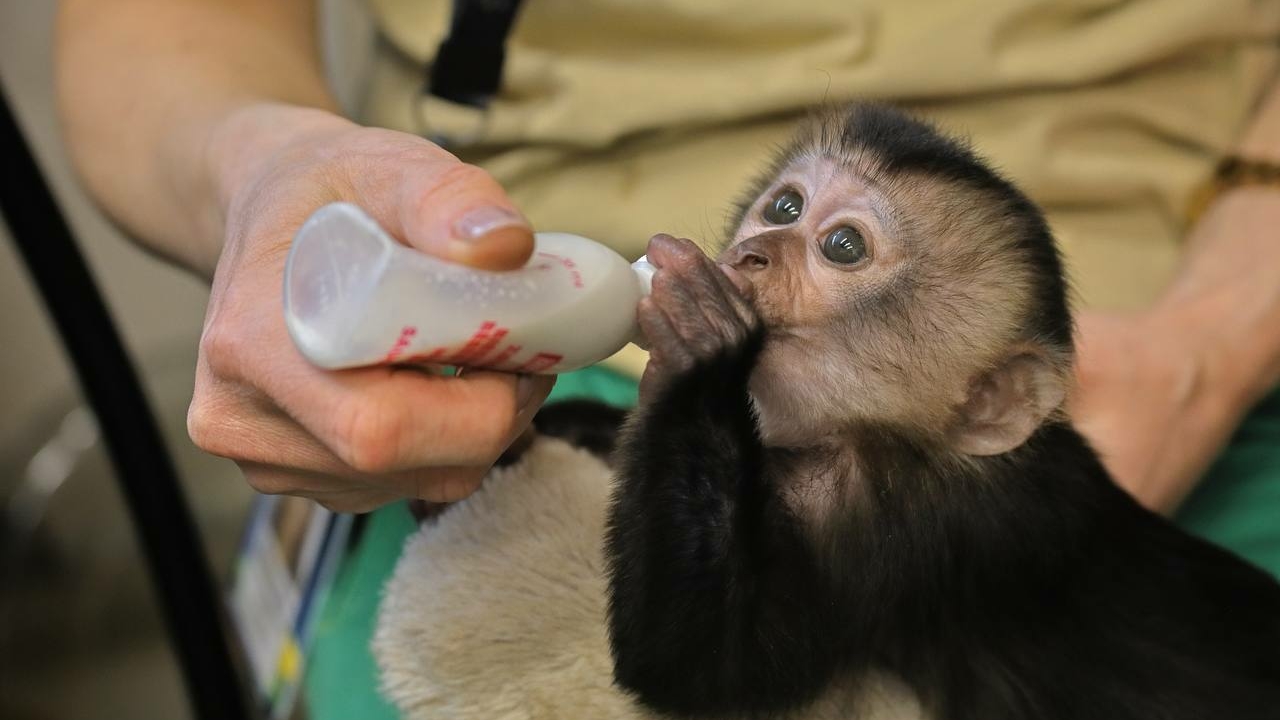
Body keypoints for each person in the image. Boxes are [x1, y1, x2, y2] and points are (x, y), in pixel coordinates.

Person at [56, 0, 1280, 717]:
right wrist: (262, 168)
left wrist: (1212, 339)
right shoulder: (819, 399)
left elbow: (689, 667)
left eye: (839, 246)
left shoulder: (922, 492)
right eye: (784, 208)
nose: (760, 246)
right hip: (506, 258)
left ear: (989, 405)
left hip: (1194, 310)